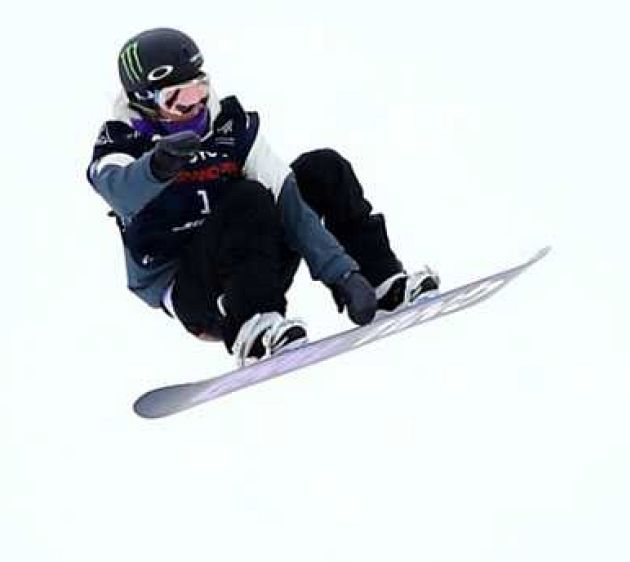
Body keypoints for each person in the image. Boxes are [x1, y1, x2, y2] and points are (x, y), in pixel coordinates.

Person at [87, 27, 439, 366]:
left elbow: (289, 202)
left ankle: (381, 285)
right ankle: (251, 327)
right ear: (145, 102)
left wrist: (343, 274)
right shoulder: (122, 142)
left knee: (322, 168)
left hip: (255, 259)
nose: (194, 107)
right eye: (177, 99)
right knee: (248, 197)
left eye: (199, 90)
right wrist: (158, 167)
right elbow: (120, 193)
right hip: (195, 291)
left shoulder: (230, 128)